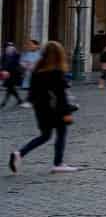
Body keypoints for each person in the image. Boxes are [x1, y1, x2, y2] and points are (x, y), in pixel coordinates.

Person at [9, 42, 78, 174]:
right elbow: (60, 96)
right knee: (61, 134)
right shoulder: (57, 72)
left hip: (41, 110)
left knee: (45, 136)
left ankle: (19, 153)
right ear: (59, 55)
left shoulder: (37, 71)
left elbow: (32, 94)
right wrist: (67, 112)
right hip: (56, 110)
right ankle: (58, 164)